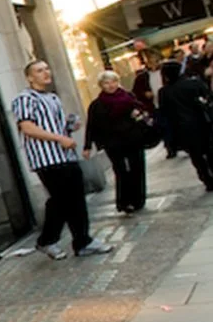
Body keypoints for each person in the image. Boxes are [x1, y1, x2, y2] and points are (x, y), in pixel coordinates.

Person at [10, 60, 113, 260]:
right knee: (61, 200)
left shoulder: (53, 98)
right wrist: (59, 138)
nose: (46, 73)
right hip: (47, 159)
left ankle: (79, 241)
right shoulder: (25, 99)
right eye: (39, 71)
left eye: (47, 69)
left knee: (74, 199)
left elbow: (56, 126)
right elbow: (27, 128)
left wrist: (70, 126)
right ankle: (51, 240)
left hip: (66, 155)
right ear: (30, 77)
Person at [83, 69, 152, 214]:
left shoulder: (128, 97)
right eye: (106, 83)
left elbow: (142, 108)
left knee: (137, 168)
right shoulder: (97, 105)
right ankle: (125, 202)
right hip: (113, 143)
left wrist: (138, 113)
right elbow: (91, 126)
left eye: (113, 81)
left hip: (133, 139)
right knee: (121, 171)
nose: (111, 85)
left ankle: (138, 200)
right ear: (101, 85)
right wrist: (87, 146)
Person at [158, 55, 213, 190]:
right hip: (203, 123)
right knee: (209, 150)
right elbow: (207, 99)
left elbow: (164, 113)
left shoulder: (164, 92)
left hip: (182, 128)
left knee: (196, 156)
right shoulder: (194, 83)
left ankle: (207, 179)